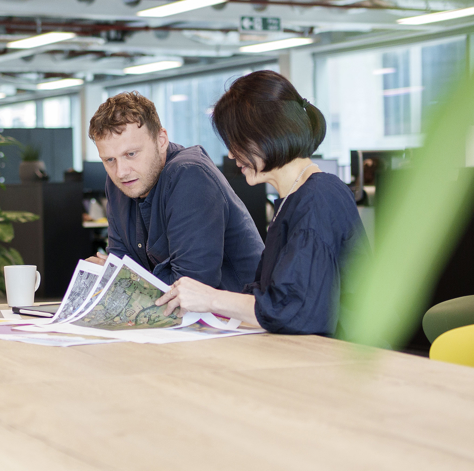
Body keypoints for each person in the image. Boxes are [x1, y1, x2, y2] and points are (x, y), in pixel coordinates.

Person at [156, 71, 366, 335]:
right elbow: (272, 296)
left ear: (268, 133)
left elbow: (294, 310)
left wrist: (210, 298)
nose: (232, 154)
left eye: (237, 142)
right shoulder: (295, 198)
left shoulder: (317, 198)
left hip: (335, 359)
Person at [88, 91, 264, 291]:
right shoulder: (119, 183)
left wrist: (122, 280)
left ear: (161, 140)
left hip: (237, 317)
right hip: (178, 317)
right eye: (109, 160)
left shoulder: (190, 175)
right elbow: (118, 262)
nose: (121, 172)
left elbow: (191, 287)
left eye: (131, 154)